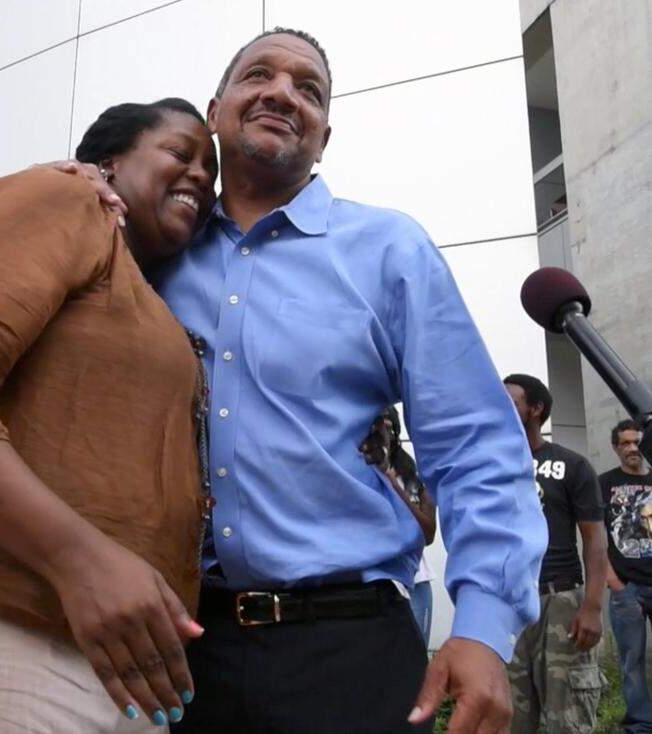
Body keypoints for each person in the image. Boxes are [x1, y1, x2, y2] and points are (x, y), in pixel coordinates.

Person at [53, 28, 547, 734]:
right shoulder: (147, 249)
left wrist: (485, 624)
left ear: (324, 136)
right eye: (261, 76)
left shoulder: (388, 251)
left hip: (350, 649)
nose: (283, 92)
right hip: (173, 648)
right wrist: (74, 187)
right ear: (216, 110)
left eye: (308, 90)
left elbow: (475, 447)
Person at [0, 99, 218, 732]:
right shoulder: (63, 200)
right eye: (180, 154)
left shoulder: (138, 283)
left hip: (109, 660)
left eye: (210, 174)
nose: (199, 178)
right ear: (107, 160)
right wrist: (80, 560)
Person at [503, 373, 607, 733]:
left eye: (511, 401)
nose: (501, 406)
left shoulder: (571, 465)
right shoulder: (492, 466)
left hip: (559, 599)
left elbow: (594, 540)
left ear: (536, 409)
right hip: (509, 605)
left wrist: (592, 607)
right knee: (512, 720)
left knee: (566, 720)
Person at [362, 406, 437, 646]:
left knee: (415, 656)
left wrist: (393, 484)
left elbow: (428, 533)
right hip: (377, 580)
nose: (383, 434)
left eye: (387, 427)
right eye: (376, 428)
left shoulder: (415, 475)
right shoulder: (360, 474)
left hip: (417, 581)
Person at [600, 418, 652, 732]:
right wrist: (614, 584)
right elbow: (594, 536)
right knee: (631, 661)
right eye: (626, 443)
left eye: (637, 442)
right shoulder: (603, 483)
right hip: (626, 587)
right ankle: (642, 724)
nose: (632, 448)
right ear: (616, 448)